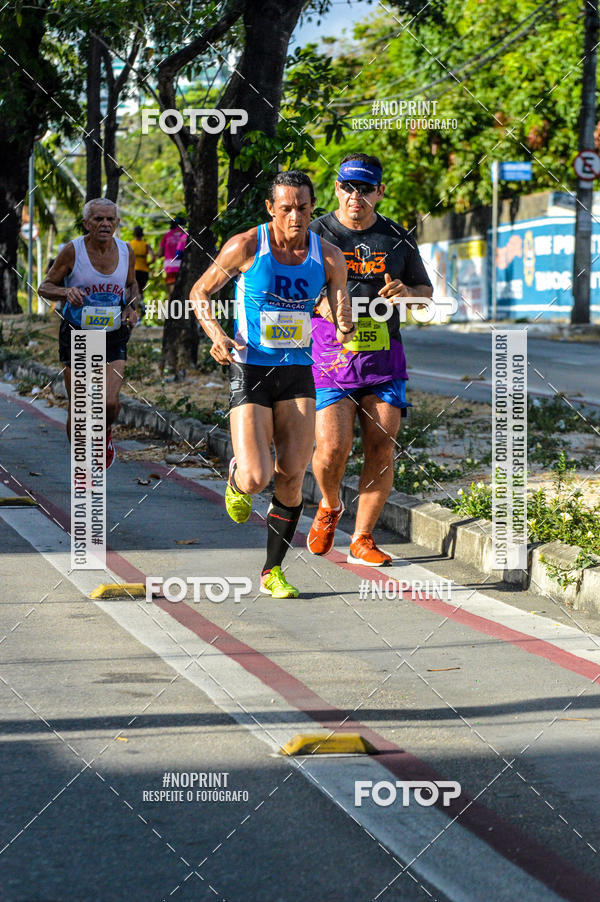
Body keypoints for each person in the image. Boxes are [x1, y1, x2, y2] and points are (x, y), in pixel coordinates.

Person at [189, 170, 355, 598]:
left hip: (297, 370)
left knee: (291, 474)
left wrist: (344, 330)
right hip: (250, 368)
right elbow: (200, 293)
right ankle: (235, 478)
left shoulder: (330, 256)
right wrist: (216, 335)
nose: (295, 216)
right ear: (270, 208)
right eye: (286, 208)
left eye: (302, 208)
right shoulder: (246, 245)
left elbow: (341, 316)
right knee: (257, 476)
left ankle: (272, 571)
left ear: (313, 206)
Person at [306, 153, 433, 566]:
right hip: (330, 358)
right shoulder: (315, 233)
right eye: (347, 186)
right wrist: (318, 303)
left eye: (365, 188)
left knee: (382, 446)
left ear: (380, 191)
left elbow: (425, 294)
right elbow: (284, 287)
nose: (355, 196)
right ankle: (329, 505)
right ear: (336, 187)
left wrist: (407, 294)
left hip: (383, 361)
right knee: (333, 447)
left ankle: (362, 537)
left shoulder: (397, 237)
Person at [39, 198, 139, 468]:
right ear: (86, 223)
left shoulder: (126, 250)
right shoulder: (73, 251)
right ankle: (83, 463)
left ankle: (104, 435)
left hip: (113, 334)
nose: (105, 224)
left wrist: (131, 307)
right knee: (81, 407)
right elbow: (44, 286)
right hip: (77, 333)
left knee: (110, 403)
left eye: (110, 219)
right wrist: (65, 291)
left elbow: (132, 285)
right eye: (98, 219)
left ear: (117, 223)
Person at [158, 215, 187, 298]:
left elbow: (160, 252)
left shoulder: (167, 236)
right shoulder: (185, 235)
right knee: (184, 292)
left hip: (170, 266)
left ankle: (172, 309)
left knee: (172, 293)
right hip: (183, 265)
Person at [130, 225, 155, 311]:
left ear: (134, 234)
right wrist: (147, 264)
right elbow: (153, 258)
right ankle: (142, 304)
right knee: (141, 290)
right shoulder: (146, 245)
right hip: (144, 271)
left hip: (134, 271)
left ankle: (136, 311)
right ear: (142, 235)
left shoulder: (130, 244)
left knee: (134, 291)